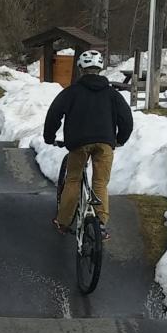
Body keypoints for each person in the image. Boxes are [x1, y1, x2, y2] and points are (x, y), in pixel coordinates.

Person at [43, 49, 134, 238]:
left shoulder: (71, 92)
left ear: (80, 69)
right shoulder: (112, 94)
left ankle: (63, 222)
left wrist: (49, 137)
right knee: (100, 182)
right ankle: (100, 223)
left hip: (78, 143)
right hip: (105, 143)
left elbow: (53, 115)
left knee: (74, 180)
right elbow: (126, 119)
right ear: (100, 68)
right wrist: (120, 140)